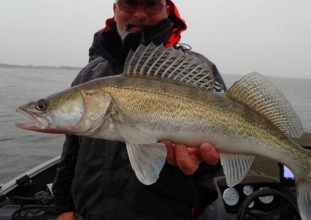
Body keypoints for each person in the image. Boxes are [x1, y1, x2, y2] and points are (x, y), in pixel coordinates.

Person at [52, 0, 227, 219]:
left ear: (168, 10)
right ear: (115, 10)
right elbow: (71, 153)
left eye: (152, 4)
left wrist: (202, 165)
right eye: (129, 4)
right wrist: (64, 209)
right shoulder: (89, 75)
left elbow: (221, 154)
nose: (140, 14)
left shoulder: (199, 71)